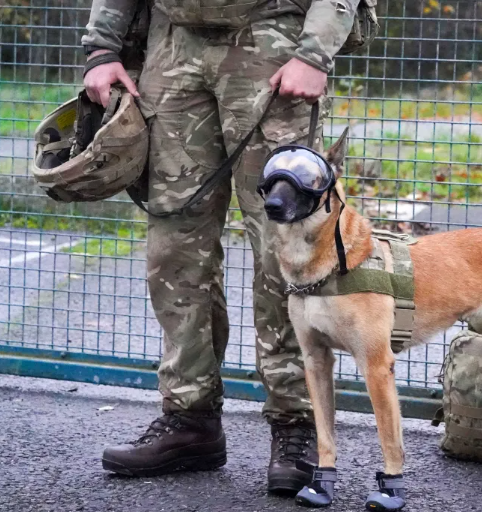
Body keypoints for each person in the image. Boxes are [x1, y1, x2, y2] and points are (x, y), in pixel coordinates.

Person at [81, 0, 359, 492]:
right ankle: (190, 419)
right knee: (174, 246)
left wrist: (315, 52)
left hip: (272, 42)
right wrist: (102, 48)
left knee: (288, 246)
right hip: (173, 45)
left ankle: (298, 426)